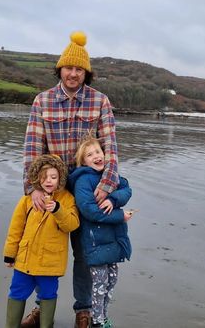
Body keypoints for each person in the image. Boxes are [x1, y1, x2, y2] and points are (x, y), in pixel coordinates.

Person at [22, 31, 119, 328]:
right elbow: (32, 150)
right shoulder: (43, 101)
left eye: (79, 69)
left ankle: (84, 310)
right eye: (68, 68)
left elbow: (112, 150)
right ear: (60, 69)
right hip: (52, 191)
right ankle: (42, 307)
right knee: (45, 250)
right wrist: (33, 189)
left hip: (87, 191)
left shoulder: (101, 102)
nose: (73, 73)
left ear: (86, 73)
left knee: (84, 254)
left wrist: (104, 189)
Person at [3, 154, 80, 328]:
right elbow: (15, 229)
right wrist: (9, 254)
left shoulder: (67, 199)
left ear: (60, 177)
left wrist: (58, 210)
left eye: (53, 177)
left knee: (48, 294)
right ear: (37, 178)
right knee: (16, 292)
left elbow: (72, 224)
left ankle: (46, 324)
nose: (48, 181)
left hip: (50, 263)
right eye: (44, 177)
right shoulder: (27, 199)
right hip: (25, 259)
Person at [68, 137, 133, 328]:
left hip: (113, 239)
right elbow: (89, 211)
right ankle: (96, 322)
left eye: (98, 151)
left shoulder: (110, 175)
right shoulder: (83, 180)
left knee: (111, 281)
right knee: (99, 285)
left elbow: (127, 189)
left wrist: (113, 200)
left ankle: (103, 317)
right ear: (83, 162)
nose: (96, 156)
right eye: (90, 154)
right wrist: (119, 215)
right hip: (95, 242)